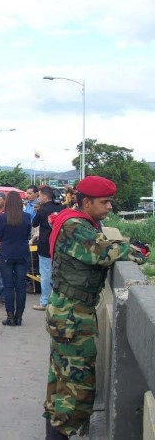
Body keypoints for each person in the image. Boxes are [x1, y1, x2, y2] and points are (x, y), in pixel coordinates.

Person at [43, 176, 145, 440]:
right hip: (73, 315)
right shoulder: (75, 225)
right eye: (105, 202)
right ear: (86, 202)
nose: (110, 207)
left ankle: (56, 432)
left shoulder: (74, 219)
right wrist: (136, 251)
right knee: (75, 386)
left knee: (63, 380)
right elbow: (103, 253)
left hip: (68, 312)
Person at [0, 192, 32, 326]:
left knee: (8, 286)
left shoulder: (3, 217)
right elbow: (28, 234)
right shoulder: (27, 216)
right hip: (22, 252)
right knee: (21, 287)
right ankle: (19, 317)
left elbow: (0, 234)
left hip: (6, 252)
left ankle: (10, 316)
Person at [32, 186, 64, 311]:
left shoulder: (43, 210)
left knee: (45, 274)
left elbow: (34, 223)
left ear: (45, 196)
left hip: (45, 246)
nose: (39, 198)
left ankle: (44, 302)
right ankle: (58, 301)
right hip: (60, 245)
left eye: (39, 195)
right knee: (59, 274)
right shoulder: (62, 208)